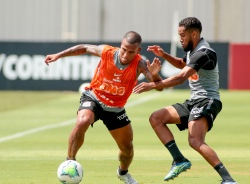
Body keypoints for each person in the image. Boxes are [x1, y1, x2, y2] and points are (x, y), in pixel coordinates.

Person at [44, 31, 162, 184]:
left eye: (131, 52)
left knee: (127, 148)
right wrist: (58, 55)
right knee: (82, 121)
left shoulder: (140, 63)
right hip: (94, 98)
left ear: (138, 51)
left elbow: (158, 86)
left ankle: (123, 173)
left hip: (116, 108)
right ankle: (70, 163)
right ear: (121, 44)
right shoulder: (107, 52)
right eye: (124, 49)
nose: (125, 54)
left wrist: (155, 76)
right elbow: (84, 47)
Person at [133, 17, 237, 184]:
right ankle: (179, 160)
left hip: (207, 100)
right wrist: (163, 54)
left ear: (194, 33)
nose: (180, 39)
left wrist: (152, 84)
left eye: (182, 35)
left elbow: (181, 78)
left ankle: (228, 180)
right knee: (156, 118)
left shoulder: (205, 53)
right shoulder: (193, 52)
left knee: (195, 140)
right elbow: (182, 64)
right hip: (194, 101)